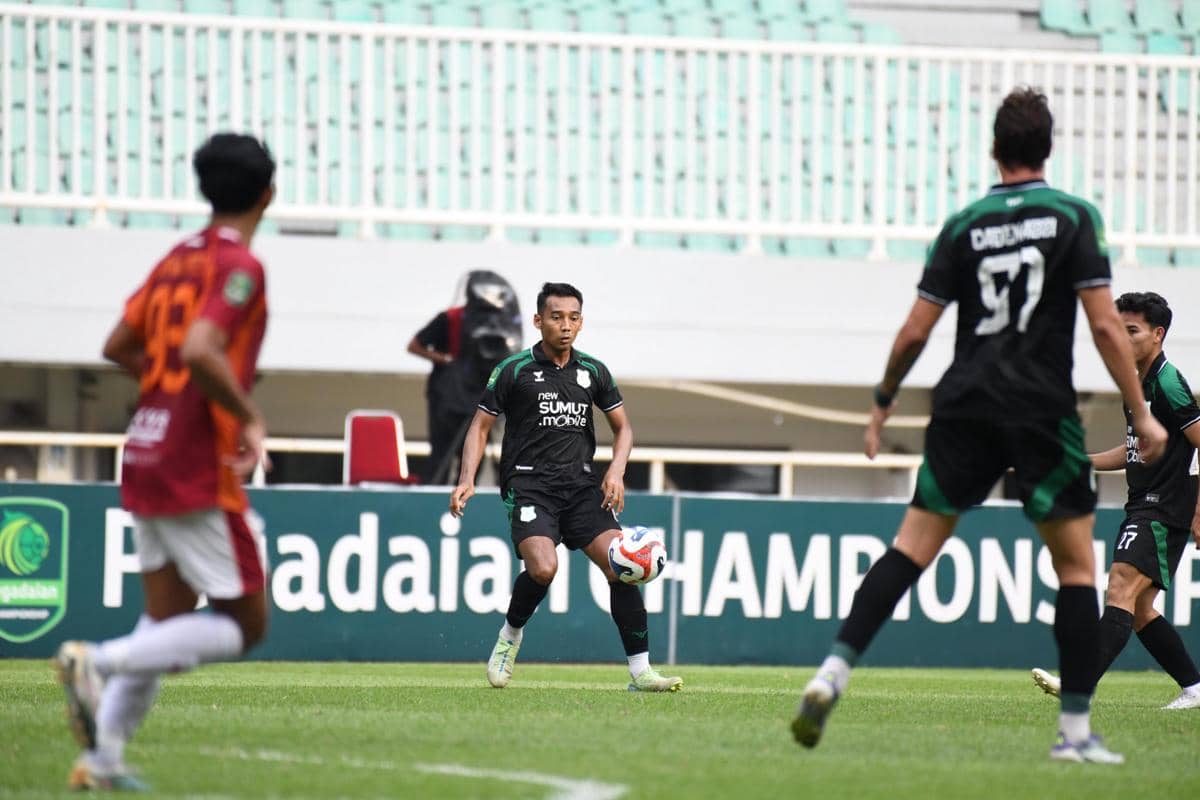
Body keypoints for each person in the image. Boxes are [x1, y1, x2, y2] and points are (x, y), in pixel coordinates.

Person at [789, 87, 1167, 764]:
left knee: (909, 549)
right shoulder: (1074, 215)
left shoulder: (964, 223)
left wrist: (881, 402)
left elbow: (914, 330)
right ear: (1047, 148)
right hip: (1039, 408)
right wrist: (1140, 412)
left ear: (993, 148)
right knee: (1079, 568)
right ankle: (1075, 734)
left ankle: (832, 672)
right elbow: (1106, 324)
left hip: (962, 403)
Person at [54, 133, 276, 791]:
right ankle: (98, 661)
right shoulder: (242, 267)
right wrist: (247, 414)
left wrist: (170, 385)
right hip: (192, 455)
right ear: (269, 194)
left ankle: (104, 758)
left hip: (145, 444)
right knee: (248, 623)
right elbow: (203, 349)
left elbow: (119, 344)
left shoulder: (175, 259)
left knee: (168, 618)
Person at [449, 282, 682, 693]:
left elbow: (624, 428)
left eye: (573, 317)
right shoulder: (514, 369)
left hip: (581, 488)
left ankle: (641, 673)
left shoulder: (593, 371)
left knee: (621, 568)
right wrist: (467, 478)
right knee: (543, 568)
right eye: (556, 317)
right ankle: (510, 635)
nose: (565, 325)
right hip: (529, 485)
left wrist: (615, 471)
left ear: (581, 321)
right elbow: (480, 426)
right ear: (539, 321)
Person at [1031, 291, 1200, 710]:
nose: (1122, 340)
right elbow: (1129, 452)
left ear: (1157, 334)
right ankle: (1195, 688)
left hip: (1164, 507)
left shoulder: (1167, 383)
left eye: (1133, 331)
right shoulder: (1136, 384)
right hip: (1144, 502)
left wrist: (1198, 511)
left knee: (1120, 585)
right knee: (1140, 609)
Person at [408, 270, 521, 484]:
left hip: (479, 394)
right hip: (446, 397)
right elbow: (414, 345)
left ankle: (464, 497)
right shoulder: (451, 318)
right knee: (442, 452)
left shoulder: (501, 324)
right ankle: (434, 493)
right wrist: (446, 359)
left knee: (473, 452)